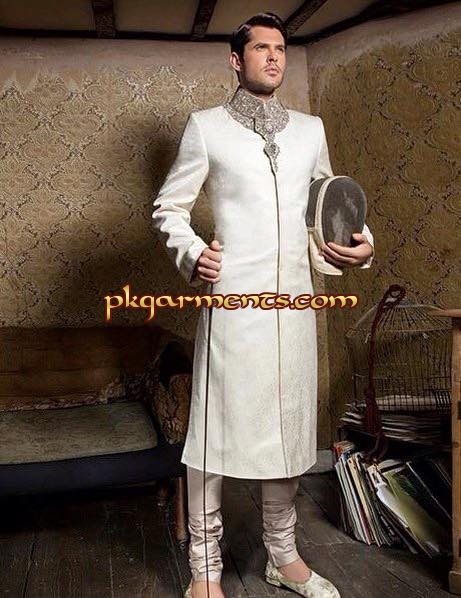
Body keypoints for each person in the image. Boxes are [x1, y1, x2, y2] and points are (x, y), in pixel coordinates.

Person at [152, 12, 374, 598]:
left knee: (288, 431)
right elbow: (169, 208)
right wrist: (193, 254)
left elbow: (328, 209)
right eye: (261, 48)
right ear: (236, 59)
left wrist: (359, 245)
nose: (274, 57)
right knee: (212, 435)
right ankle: (204, 571)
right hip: (234, 305)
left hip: (295, 306)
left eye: (280, 48)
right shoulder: (206, 128)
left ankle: (283, 557)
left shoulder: (310, 131)